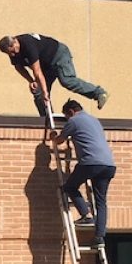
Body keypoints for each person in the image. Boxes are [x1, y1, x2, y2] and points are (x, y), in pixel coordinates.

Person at [49, 99, 116, 245]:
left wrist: (53, 136)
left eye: (67, 116)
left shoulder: (74, 121)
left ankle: (86, 215)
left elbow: (60, 140)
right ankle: (99, 237)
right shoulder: (94, 120)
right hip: (109, 165)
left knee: (69, 187)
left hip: (90, 162)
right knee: (101, 201)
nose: (67, 119)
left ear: (71, 112)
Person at [0, 33, 108, 116]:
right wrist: (31, 81)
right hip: (47, 66)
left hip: (59, 55)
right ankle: (47, 118)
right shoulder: (12, 52)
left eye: (13, 50)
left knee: (67, 81)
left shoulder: (27, 44)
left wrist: (46, 92)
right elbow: (18, 67)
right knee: (38, 93)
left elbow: (37, 72)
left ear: (15, 41)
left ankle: (99, 93)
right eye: (9, 53)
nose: (13, 54)